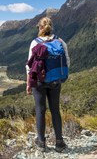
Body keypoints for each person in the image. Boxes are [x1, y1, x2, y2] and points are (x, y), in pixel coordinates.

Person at [26, 17, 70, 152]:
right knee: (55, 110)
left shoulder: (35, 43)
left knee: (40, 110)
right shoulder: (60, 42)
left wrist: (29, 83)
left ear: (40, 28)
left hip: (39, 82)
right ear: (51, 27)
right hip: (56, 80)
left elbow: (29, 66)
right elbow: (67, 62)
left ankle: (41, 143)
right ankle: (59, 142)